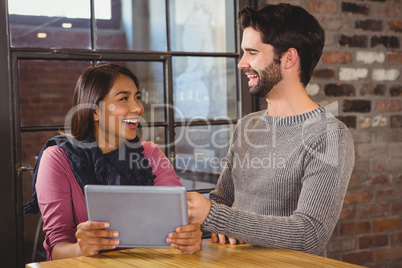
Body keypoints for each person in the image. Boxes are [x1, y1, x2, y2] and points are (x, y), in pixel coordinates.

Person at [187, 3, 355, 257]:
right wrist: (210, 217)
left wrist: (215, 216)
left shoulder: (328, 135)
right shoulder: (247, 126)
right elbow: (222, 201)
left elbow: (309, 235)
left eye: (252, 53)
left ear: (289, 58)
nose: (242, 64)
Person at [25, 64, 202, 260]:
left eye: (137, 97)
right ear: (94, 111)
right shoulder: (57, 158)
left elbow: (179, 220)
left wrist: (189, 235)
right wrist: (80, 249)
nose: (138, 108)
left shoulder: (150, 153)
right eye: (124, 98)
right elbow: (57, 249)